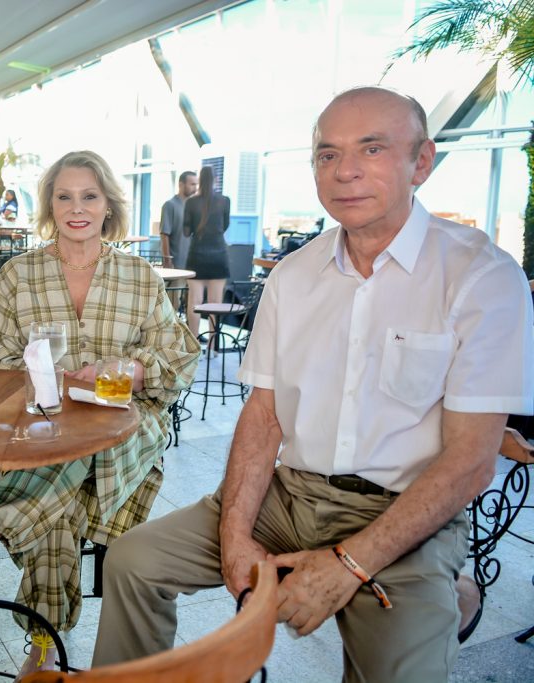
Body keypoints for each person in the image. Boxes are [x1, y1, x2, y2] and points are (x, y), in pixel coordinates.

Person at [91, 87, 534, 682]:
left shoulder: (480, 275)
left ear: (421, 162)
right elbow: (263, 417)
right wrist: (234, 536)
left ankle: (446, 596)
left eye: (371, 149)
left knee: (398, 672)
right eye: (327, 155)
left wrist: (347, 566)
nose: (344, 171)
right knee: (133, 560)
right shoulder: (295, 275)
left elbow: (472, 461)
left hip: (404, 512)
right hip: (291, 495)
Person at [0, 150, 199, 678]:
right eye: (64, 196)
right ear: (50, 205)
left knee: (75, 452)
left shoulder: (139, 276)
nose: (76, 208)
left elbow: (180, 356)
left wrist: (133, 369)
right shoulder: (20, 274)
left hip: (124, 428)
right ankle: (45, 645)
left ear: (108, 205)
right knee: (63, 494)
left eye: (89, 196)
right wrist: (45, 380)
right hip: (46, 425)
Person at [182, 165, 230, 350]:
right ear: (216, 179)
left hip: (197, 256)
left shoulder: (191, 202)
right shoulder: (224, 201)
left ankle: (193, 346)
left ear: (200, 181)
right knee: (215, 303)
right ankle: (212, 346)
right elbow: (224, 226)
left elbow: (186, 232)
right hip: (219, 255)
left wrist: (195, 226)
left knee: (194, 302)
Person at [159, 170, 197, 269]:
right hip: (176, 264)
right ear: (181, 185)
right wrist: (167, 260)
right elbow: (164, 235)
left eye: (196, 184)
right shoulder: (170, 205)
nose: (195, 188)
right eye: (192, 184)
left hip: (192, 264)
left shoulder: (193, 206)